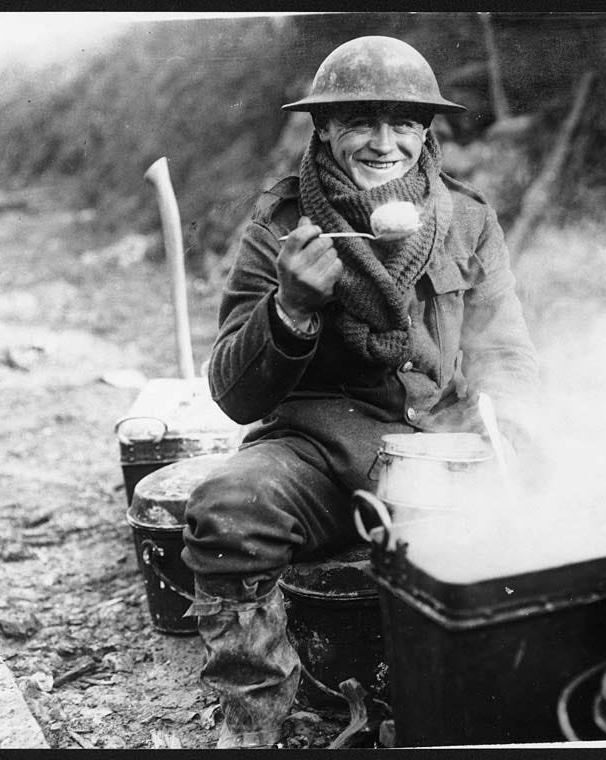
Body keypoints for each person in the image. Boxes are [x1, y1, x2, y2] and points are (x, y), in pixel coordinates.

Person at [181, 35, 539, 748]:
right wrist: (289, 309)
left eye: (403, 122)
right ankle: (255, 725)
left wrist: (509, 440)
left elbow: (505, 355)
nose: (384, 143)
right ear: (323, 128)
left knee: (577, 500)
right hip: (323, 457)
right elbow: (232, 393)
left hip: (444, 450)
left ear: (426, 130)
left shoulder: (467, 219)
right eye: (359, 122)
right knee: (228, 509)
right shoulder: (281, 227)